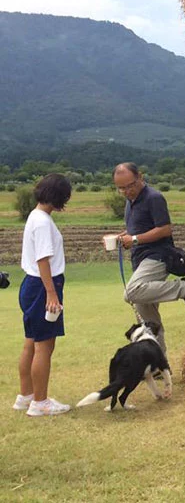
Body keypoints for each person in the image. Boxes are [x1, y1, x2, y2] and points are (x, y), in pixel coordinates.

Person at [113, 162, 185, 353]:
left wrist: (133, 239)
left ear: (140, 177)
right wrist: (123, 236)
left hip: (157, 256)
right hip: (140, 259)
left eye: (130, 185)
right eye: (121, 188)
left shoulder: (154, 198)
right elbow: (139, 228)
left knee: (131, 292)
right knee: (148, 320)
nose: (127, 191)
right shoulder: (130, 201)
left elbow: (165, 229)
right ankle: (158, 363)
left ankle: (184, 287)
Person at [14, 174, 73, 416]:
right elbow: (43, 260)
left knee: (31, 342)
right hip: (43, 287)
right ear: (59, 197)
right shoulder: (43, 222)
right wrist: (51, 293)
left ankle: (26, 396)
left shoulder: (35, 216)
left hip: (31, 286)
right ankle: (40, 402)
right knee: (44, 346)